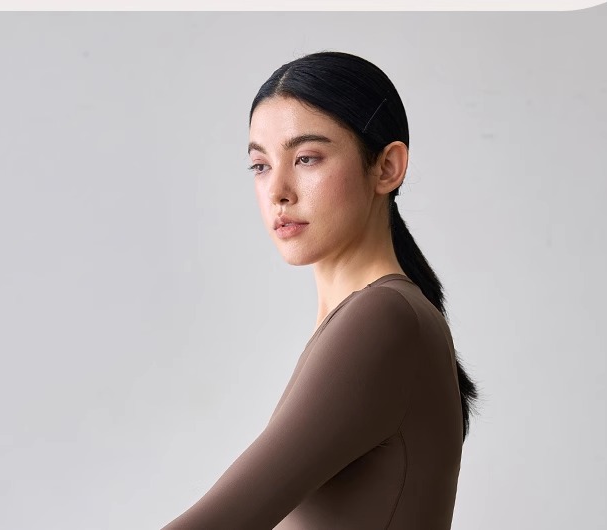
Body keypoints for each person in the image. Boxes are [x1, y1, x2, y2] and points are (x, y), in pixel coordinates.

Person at [161, 50, 478, 530]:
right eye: (260, 165)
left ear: (387, 167)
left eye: (306, 158)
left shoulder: (384, 319)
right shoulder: (368, 319)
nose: (278, 191)